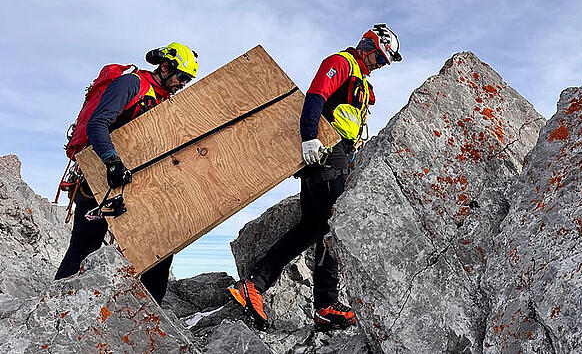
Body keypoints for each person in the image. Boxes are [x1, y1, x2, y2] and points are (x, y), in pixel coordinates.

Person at [229, 24, 402, 330]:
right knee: (334, 226)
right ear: (367, 46)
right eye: (379, 57)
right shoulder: (341, 63)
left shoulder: (360, 77)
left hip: (335, 153)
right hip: (326, 150)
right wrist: (310, 137)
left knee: (312, 228)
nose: (380, 65)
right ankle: (325, 304)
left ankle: (255, 284)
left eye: (384, 62)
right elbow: (315, 96)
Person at [54, 43, 199, 304]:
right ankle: (54, 307)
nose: (183, 83)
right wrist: (112, 162)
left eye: (188, 80)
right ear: (165, 67)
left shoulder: (164, 100)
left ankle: (149, 316)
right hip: (98, 182)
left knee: (160, 248)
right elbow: (98, 123)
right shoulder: (131, 84)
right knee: (84, 249)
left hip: (133, 186)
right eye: (182, 77)